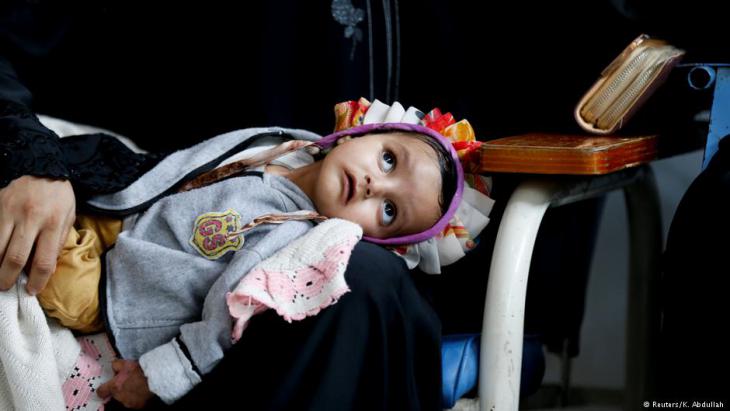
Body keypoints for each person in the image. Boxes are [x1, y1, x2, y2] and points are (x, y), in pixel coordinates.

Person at [4, 121, 463, 408]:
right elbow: (192, 163)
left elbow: (226, 315)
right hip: (135, 217)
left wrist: (163, 373)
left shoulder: (298, 236)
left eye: (388, 211)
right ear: (358, 132)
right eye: (387, 160)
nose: (370, 185)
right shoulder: (281, 142)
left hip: (125, 288)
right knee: (51, 186)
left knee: (48, 268)